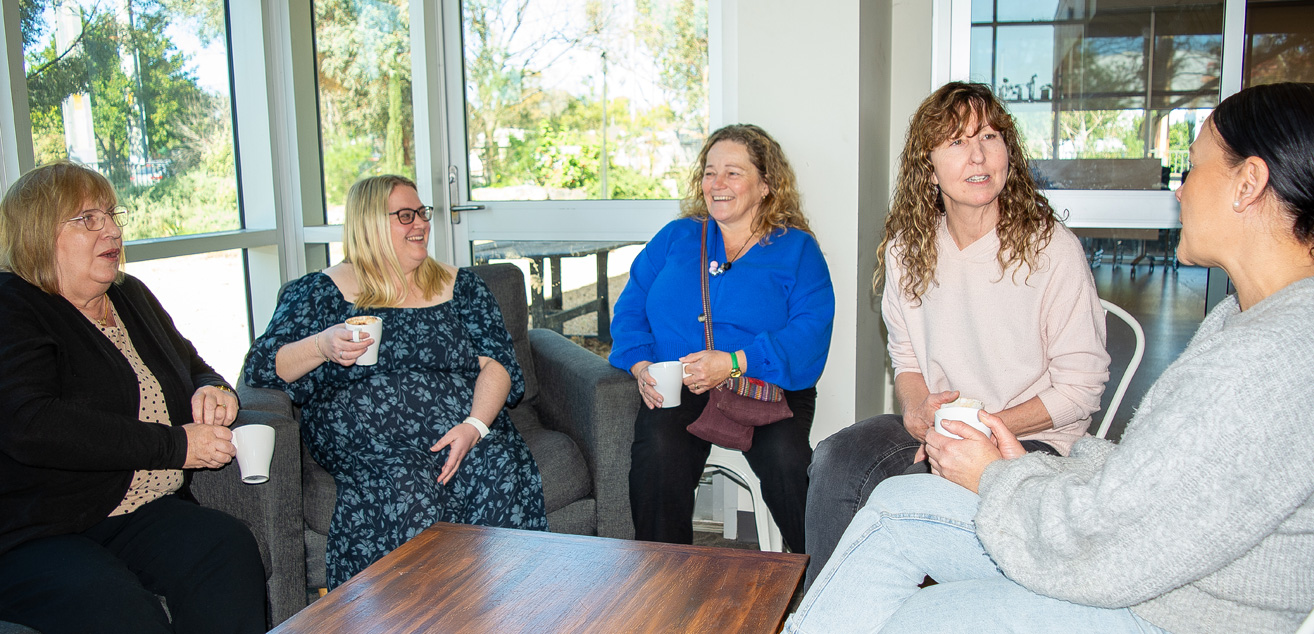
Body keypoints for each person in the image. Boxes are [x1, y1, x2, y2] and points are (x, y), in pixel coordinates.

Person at [787, 82, 1314, 633]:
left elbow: (1117, 534)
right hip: (1119, 544)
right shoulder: (1240, 320)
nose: (1178, 192)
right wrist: (932, 417)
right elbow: (1157, 485)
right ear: (928, 162)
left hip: (1162, 600)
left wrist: (998, 468)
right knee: (850, 467)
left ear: (1248, 183)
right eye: (957, 141)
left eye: (1194, 168)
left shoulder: (1268, 357)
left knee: (913, 611)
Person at [803, 82, 1110, 586]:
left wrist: (984, 431)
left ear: (1009, 152)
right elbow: (907, 363)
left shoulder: (1052, 249)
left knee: (910, 493)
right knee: (837, 459)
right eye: (957, 142)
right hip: (943, 428)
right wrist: (918, 410)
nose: (978, 154)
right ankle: (827, 613)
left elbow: (1080, 388)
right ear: (929, 167)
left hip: (1029, 440)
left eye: (990, 136)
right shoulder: (907, 252)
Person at [244, 174, 547, 589]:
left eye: (422, 213)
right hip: (373, 441)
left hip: (463, 427)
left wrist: (474, 427)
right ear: (369, 223)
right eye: (406, 215)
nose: (421, 223)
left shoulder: (462, 287)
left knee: (500, 468)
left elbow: (498, 365)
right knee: (409, 487)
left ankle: (504, 610)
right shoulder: (321, 292)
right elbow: (262, 365)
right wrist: (322, 344)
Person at [0, 162, 266, 634]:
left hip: (138, 513)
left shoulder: (129, 295)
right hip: (38, 529)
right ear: (38, 234)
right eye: (88, 219)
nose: (112, 229)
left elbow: (191, 364)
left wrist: (214, 390)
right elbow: (32, 422)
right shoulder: (13, 304)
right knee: (118, 609)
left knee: (226, 545)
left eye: (112, 214)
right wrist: (175, 446)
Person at [609, 124, 835, 552]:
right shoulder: (677, 237)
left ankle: (829, 576)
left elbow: (810, 333)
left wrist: (733, 362)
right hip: (682, 381)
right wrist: (641, 366)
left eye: (733, 172)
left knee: (788, 464)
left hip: (766, 384)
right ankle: (662, 581)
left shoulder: (797, 249)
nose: (717, 184)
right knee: (657, 451)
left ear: (766, 184)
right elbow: (630, 307)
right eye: (710, 172)